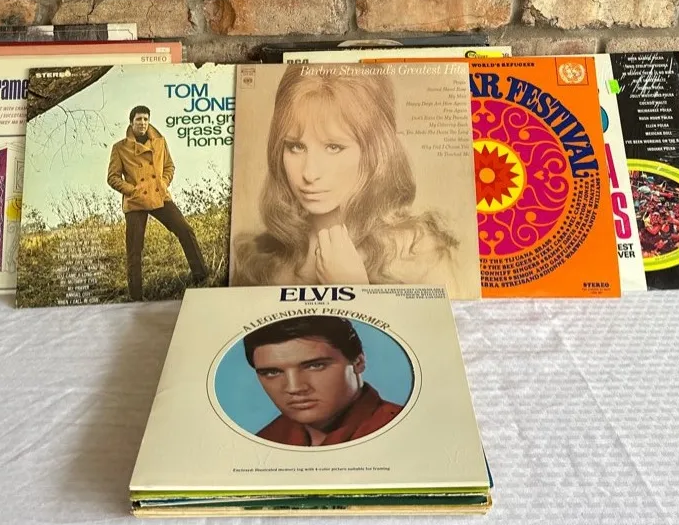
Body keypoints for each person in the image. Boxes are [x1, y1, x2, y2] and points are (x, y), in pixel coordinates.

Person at [231, 66, 469, 295]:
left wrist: (354, 287)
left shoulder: (420, 253)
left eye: (334, 147)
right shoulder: (259, 259)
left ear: (374, 152)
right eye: (296, 147)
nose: (309, 173)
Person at [243, 315, 403, 447]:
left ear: (358, 363)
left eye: (315, 366)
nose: (294, 388)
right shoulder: (264, 441)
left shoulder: (402, 430)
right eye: (272, 372)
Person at [107, 105, 207, 301]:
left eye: (145, 119)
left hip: (159, 195)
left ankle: (202, 277)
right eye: (138, 119)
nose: (142, 123)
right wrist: (132, 190)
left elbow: (169, 166)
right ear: (131, 122)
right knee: (134, 250)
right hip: (136, 201)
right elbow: (112, 177)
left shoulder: (160, 142)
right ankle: (136, 298)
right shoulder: (119, 148)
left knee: (185, 230)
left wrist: (163, 183)